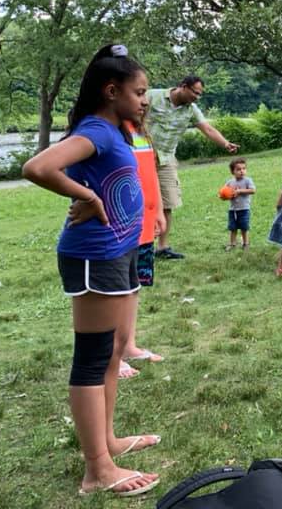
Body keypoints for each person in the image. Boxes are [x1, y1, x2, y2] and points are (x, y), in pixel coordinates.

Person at [22, 45, 160, 497]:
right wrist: (88, 196)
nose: (144, 101)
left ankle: (108, 442)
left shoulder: (114, 131)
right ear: (111, 90)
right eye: (139, 92)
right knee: (94, 357)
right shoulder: (97, 130)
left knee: (115, 351)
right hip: (93, 256)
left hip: (117, 251)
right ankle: (97, 468)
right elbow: (38, 167)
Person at [146, 75, 239, 260]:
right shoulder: (152, 96)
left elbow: (207, 129)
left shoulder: (191, 110)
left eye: (200, 94)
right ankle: (140, 246)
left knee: (168, 203)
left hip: (166, 160)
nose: (197, 97)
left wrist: (225, 143)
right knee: (142, 203)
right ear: (183, 86)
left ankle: (162, 248)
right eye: (195, 92)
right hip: (141, 156)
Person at [118, 116, 165, 379]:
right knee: (116, 291)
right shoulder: (108, 130)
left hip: (143, 224)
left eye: (143, 96)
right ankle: (112, 354)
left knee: (133, 286)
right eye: (137, 96)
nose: (144, 101)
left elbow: (151, 174)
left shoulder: (141, 132)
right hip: (120, 227)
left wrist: (158, 211)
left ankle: (129, 346)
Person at [223, 157, 255, 250]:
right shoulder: (230, 182)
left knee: (244, 227)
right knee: (232, 228)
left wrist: (240, 191)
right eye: (238, 169)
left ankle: (245, 244)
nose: (242, 171)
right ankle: (232, 244)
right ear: (232, 171)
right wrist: (223, 196)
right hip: (232, 210)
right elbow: (223, 192)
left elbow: (253, 190)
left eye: (244, 168)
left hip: (244, 209)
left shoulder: (247, 180)